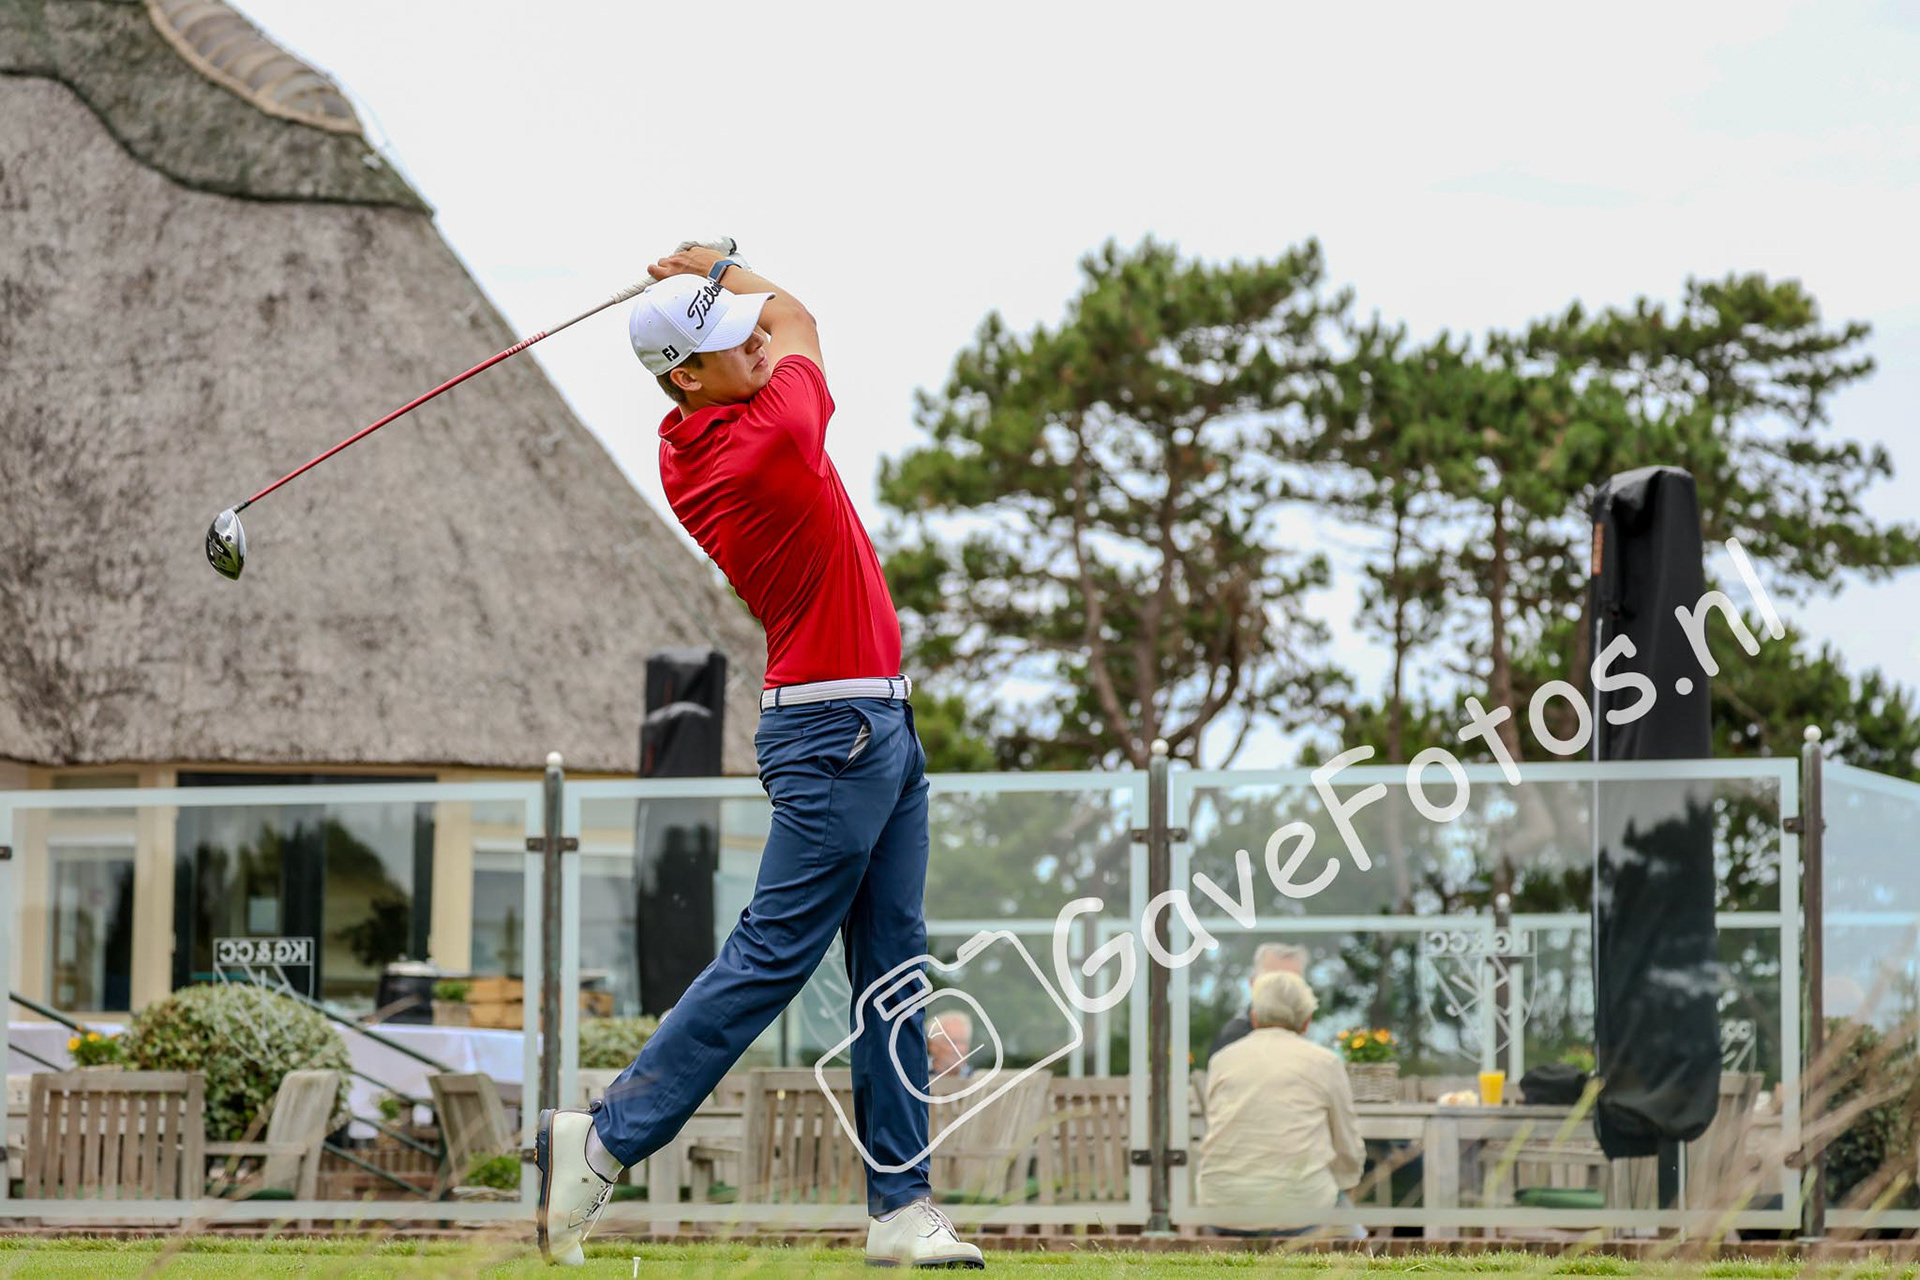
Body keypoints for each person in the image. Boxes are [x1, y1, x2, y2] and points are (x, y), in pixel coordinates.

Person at [535, 243, 982, 1269]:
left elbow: (767, 330)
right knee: (770, 958)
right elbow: (800, 318)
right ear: (689, 374)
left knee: (894, 974)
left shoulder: (682, 441)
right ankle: (603, 1137)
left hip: (872, 727)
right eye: (726, 344)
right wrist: (720, 262)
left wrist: (703, 286)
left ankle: (901, 1207)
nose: (751, 344)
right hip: (837, 734)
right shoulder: (772, 436)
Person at [1197, 970, 1365, 1236]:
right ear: (1306, 1021)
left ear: (1254, 1016)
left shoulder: (1222, 1061)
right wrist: (1346, 1183)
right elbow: (1347, 1146)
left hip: (1222, 1207)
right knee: (1355, 1240)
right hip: (1301, 1209)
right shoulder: (1325, 1062)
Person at [1208, 942, 1307, 1059]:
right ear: (1252, 984)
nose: (1283, 989)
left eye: (1293, 983)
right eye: (1273, 981)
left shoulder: (1305, 1032)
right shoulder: (1234, 1039)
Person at [928, 1011, 976, 1082]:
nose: (960, 1049)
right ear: (933, 1046)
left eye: (964, 1042)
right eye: (953, 1042)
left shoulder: (979, 1082)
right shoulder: (914, 1077)